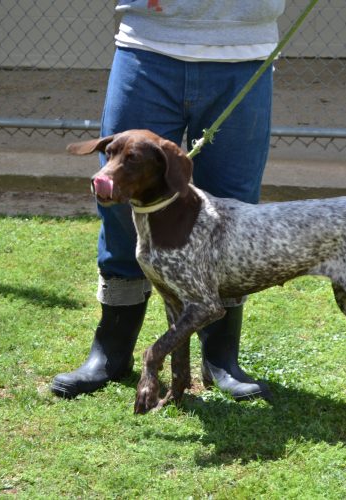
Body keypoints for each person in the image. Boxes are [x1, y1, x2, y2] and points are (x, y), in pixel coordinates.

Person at [51, 0, 286, 400]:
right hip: (148, 44)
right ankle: (111, 349)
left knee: (231, 216)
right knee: (122, 205)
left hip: (244, 50)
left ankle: (220, 357)